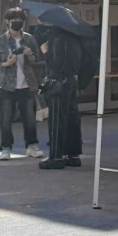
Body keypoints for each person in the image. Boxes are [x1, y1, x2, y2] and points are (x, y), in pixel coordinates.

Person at [0, 8, 42, 161]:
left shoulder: (29, 39)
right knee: (5, 119)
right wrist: (6, 63)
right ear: (7, 22)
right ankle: (6, 148)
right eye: (14, 20)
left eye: (20, 20)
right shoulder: (0, 41)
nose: (18, 23)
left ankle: (32, 146)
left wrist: (29, 55)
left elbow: (36, 59)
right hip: (6, 86)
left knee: (30, 118)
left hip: (27, 85)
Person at [37, 28, 84, 170]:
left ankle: (56, 156)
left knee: (57, 119)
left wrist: (46, 52)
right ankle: (73, 155)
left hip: (58, 82)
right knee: (72, 118)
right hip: (71, 80)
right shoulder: (75, 39)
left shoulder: (58, 40)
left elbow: (55, 64)